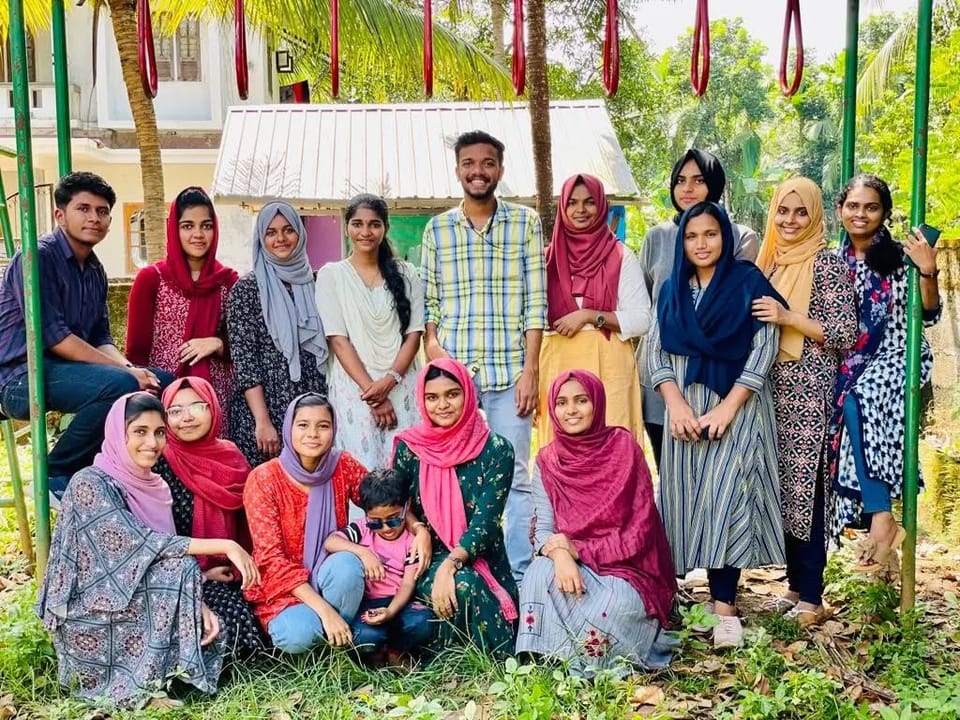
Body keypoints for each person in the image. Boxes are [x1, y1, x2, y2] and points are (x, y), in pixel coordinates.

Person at [35, 392, 259, 704]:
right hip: (89, 610)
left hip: (139, 596)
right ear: (117, 433)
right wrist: (225, 545)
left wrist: (196, 594)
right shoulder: (90, 482)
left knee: (223, 614)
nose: (151, 443)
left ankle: (161, 674)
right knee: (185, 572)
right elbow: (137, 544)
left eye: (159, 433)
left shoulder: (156, 486)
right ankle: (137, 688)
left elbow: (163, 560)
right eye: (139, 432)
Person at [646, 201, 785, 649]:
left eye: (710, 234)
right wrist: (676, 404)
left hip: (738, 405)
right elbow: (654, 352)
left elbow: (766, 344)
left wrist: (730, 406)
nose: (701, 244)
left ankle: (725, 609)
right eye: (692, 236)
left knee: (728, 499)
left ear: (725, 237)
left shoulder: (748, 283)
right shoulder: (670, 289)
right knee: (691, 500)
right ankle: (701, 595)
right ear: (681, 241)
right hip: (684, 404)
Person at [421, 130, 547, 581]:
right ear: (458, 170)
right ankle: (464, 575)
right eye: (469, 163)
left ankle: (519, 576)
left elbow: (537, 304)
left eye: (487, 162)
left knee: (515, 477)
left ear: (500, 169)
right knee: (456, 480)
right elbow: (430, 302)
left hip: (509, 374)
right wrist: (435, 350)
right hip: (456, 387)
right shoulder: (438, 229)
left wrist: (531, 370)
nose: (478, 171)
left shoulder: (525, 223)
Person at [0, 172, 171, 500]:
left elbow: (100, 336)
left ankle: (118, 470)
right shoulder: (38, 258)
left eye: (102, 211)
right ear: (60, 215)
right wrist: (125, 374)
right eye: (84, 208)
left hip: (65, 372)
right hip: (20, 378)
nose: (94, 217)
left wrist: (132, 369)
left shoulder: (94, 269)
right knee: (120, 386)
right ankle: (55, 473)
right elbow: (57, 339)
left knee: (160, 381)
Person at [243, 393, 431, 654]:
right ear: (289, 428)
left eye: (323, 426)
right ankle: (335, 630)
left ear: (333, 429)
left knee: (347, 564)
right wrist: (326, 613)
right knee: (298, 636)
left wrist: (417, 528)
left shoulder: (340, 465)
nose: (313, 434)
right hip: (287, 590)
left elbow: (383, 499)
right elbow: (271, 560)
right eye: (303, 425)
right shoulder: (264, 479)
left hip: (330, 576)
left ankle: (344, 641)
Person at [517, 370, 678, 673]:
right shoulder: (549, 460)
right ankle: (553, 659)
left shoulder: (622, 447)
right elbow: (542, 530)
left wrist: (579, 550)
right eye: (562, 403)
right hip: (572, 565)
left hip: (627, 568)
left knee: (616, 605)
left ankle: (595, 663)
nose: (571, 410)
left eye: (581, 400)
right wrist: (561, 553)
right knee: (538, 573)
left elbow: (641, 531)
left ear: (598, 403)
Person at [750, 178, 859, 626]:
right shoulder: (769, 262)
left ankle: (812, 597)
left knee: (807, 490)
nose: (790, 221)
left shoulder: (827, 263)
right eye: (783, 211)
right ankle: (795, 588)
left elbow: (844, 332)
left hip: (808, 390)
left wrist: (788, 317)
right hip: (770, 387)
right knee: (785, 490)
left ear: (815, 216)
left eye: (800, 212)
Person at [826, 174, 941, 577]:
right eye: (853, 206)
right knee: (839, 412)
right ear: (840, 210)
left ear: (884, 213)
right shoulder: (831, 260)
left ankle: (881, 516)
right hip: (852, 358)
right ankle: (872, 528)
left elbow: (928, 315)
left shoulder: (902, 255)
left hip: (899, 350)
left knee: (860, 396)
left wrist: (928, 272)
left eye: (871, 207)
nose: (861, 214)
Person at [638, 149, 758, 468]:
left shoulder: (740, 237)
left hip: (721, 375)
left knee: (718, 478)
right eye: (680, 181)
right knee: (671, 475)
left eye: (698, 180)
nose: (687, 188)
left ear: (715, 185)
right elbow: (650, 308)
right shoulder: (656, 237)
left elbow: (731, 302)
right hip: (661, 374)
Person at [393, 358, 519, 653]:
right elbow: (398, 506)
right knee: (466, 586)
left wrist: (450, 564)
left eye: (452, 394)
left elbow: (486, 524)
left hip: (481, 552)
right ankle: (498, 661)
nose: (442, 405)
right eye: (432, 397)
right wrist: (419, 529)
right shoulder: (409, 448)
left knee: (465, 580)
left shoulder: (496, 449)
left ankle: (500, 665)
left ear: (468, 393)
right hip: (424, 554)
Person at [538, 174, 650, 447]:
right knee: (560, 451)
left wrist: (589, 315)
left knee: (612, 447)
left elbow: (643, 319)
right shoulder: (545, 260)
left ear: (601, 206)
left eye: (589, 202)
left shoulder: (621, 255)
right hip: (557, 364)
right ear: (562, 208)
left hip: (608, 365)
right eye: (572, 203)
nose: (581, 210)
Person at [316, 194, 424, 469]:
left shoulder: (406, 272)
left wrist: (389, 381)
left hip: (401, 386)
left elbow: (414, 334)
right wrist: (372, 394)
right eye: (357, 224)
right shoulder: (332, 275)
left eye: (374, 224)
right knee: (361, 469)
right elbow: (338, 340)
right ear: (346, 227)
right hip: (354, 390)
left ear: (385, 227)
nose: (365, 232)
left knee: (403, 465)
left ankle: (408, 516)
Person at [157, 376, 264, 654]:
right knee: (230, 628)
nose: (187, 417)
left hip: (233, 572)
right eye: (175, 411)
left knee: (258, 624)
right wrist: (202, 574)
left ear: (213, 408)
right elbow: (157, 537)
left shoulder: (231, 456)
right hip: (181, 576)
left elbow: (251, 522)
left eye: (197, 406)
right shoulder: (160, 461)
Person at [226, 202, 328, 468]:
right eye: (270, 232)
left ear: (300, 234)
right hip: (266, 410)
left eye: (288, 230)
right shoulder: (247, 289)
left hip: (312, 409)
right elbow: (245, 361)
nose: (280, 239)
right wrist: (263, 421)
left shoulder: (318, 283)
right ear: (261, 238)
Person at [126, 187, 238, 420]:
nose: (198, 234)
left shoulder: (228, 281)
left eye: (206, 226)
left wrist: (217, 343)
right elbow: (137, 352)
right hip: (165, 395)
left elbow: (242, 344)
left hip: (216, 399)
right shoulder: (151, 279)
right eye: (188, 226)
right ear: (174, 229)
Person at [324, 468, 435, 661]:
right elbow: (331, 542)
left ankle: (395, 651)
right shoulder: (361, 529)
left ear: (406, 507)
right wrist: (363, 552)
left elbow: (408, 583)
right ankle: (377, 651)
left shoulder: (412, 541)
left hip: (399, 601)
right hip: (368, 603)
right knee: (365, 637)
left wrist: (391, 611)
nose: (385, 529)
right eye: (376, 522)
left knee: (424, 621)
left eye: (393, 520)